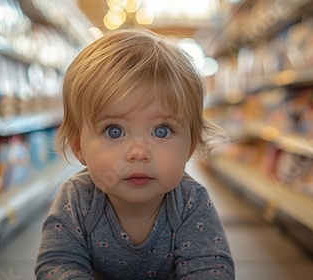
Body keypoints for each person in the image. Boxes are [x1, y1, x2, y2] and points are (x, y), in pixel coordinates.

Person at [35, 28, 235, 280]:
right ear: (79, 147)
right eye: (114, 131)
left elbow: (211, 269)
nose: (138, 153)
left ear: (191, 145)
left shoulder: (190, 202)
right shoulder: (77, 199)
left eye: (161, 131)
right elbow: (57, 265)